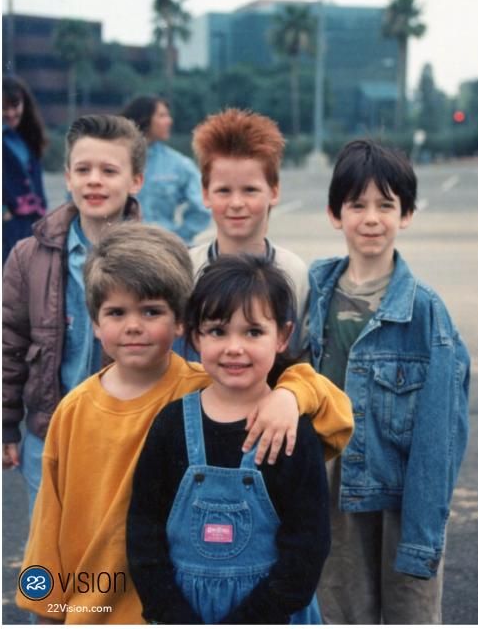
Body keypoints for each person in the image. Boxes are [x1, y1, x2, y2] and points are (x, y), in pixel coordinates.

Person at [16, 223, 353, 624]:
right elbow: (49, 519)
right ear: (94, 321)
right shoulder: (73, 411)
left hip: (186, 608)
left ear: (181, 324)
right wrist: (46, 608)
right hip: (102, 611)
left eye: (152, 311)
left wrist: (292, 393)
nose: (135, 325)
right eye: (117, 312)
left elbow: (336, 413)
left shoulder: (207, 383)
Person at [308, 139, 470, 624]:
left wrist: (423, 536)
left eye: (386, 204)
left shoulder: (425, 312)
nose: (372, 218)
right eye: (357, 204)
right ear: (336, 214)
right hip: (330, 493)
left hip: (400, 498)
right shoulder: (313, 292)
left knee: (409, 612)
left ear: (407, 215)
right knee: (337, 610)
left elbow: (440, 436)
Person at [127, 254, 338, 624]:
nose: (234, 347)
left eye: (253, 331)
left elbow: (307, 545)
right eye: (218, 331)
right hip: (184, 613)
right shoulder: (171, 424)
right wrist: (174, 616)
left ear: (283, 336)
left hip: (272, 615)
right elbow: (144, 531)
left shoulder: (292, 431)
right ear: (195, 336)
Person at [2, 114, 146, 518]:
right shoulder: (27, 257)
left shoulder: (157, 258)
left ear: (136, 180)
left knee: (112, 557)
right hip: (48, 438)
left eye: (109, 170)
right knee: (46, 558)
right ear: (67, 177)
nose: (94, 180)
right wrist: (6, 427)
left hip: (126, 438)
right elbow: (9, 347)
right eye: (83, 169)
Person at [189, 108, 309, 348]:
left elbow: (301, 356)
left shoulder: (295, 273)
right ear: (205, 194)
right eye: (223, 191)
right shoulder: (185, 269)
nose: (236, 204)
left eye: (250, 190)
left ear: (274, 192)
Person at [121, 95, 211, 244]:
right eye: (162, 115)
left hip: (162, 252)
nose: (170, 121)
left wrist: (175, 238)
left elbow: (202, 208)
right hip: (116, 250)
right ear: (143, 118)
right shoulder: (110, 161)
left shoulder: (179, 164)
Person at [2, 75, 48, 264]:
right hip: (7, 226)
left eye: (15, 106)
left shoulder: (26, 138)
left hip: (32, 224)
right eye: (4, 107)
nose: (11, 113)